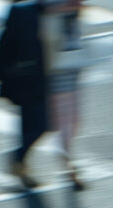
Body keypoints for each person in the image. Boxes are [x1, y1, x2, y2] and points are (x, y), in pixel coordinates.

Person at [0, 0, 48, 188]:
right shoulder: (22, 10)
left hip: (42, 76)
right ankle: (18, 160)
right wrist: (1, 78)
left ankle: (20, 164)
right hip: (28, 78)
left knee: (33, 126)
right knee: (38, 125)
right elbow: (5, 45)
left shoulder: (45, 10)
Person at [41, 0, 87, 190]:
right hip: (54, 55)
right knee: (62, 115)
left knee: (73, 117)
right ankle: (66, 161)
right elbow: (41, 9)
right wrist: (63, 7)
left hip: (72, 54)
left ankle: (65, 155)